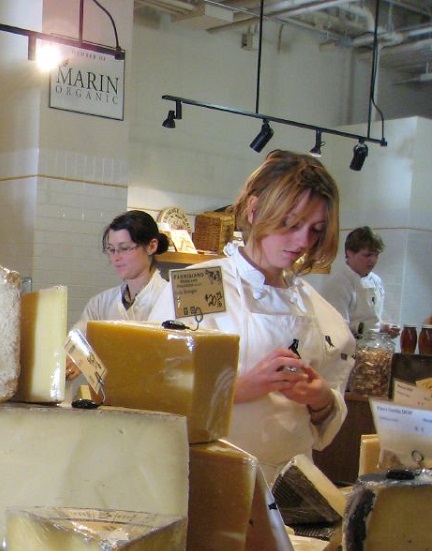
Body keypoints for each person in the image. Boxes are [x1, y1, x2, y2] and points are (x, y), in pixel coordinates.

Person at [147, 151, 355, 482]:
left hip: (291, 491)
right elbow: (154, 394)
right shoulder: (200, 285)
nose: (303, 241)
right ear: (255, 210)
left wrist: (320, 400)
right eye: (291, 223)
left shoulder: (318, 309)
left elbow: (329, 415)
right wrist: (238, 389)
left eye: (315, 230)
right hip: (211, 480)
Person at [74, 210, 173, 330]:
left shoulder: (170, 301)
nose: (116, 257)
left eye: (124, 248)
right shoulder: (100, 304)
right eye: (111, 249)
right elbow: (75, 344)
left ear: (151, 246)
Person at [321, 226, 387, 337]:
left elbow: (372, 319)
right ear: (350, 253)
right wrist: (366, 330)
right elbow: (337, 328)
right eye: (368, 255)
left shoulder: (376, 281)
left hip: (373, 346)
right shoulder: (337, 284)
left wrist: (383, 327)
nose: (373, 260)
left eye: (376, 255)